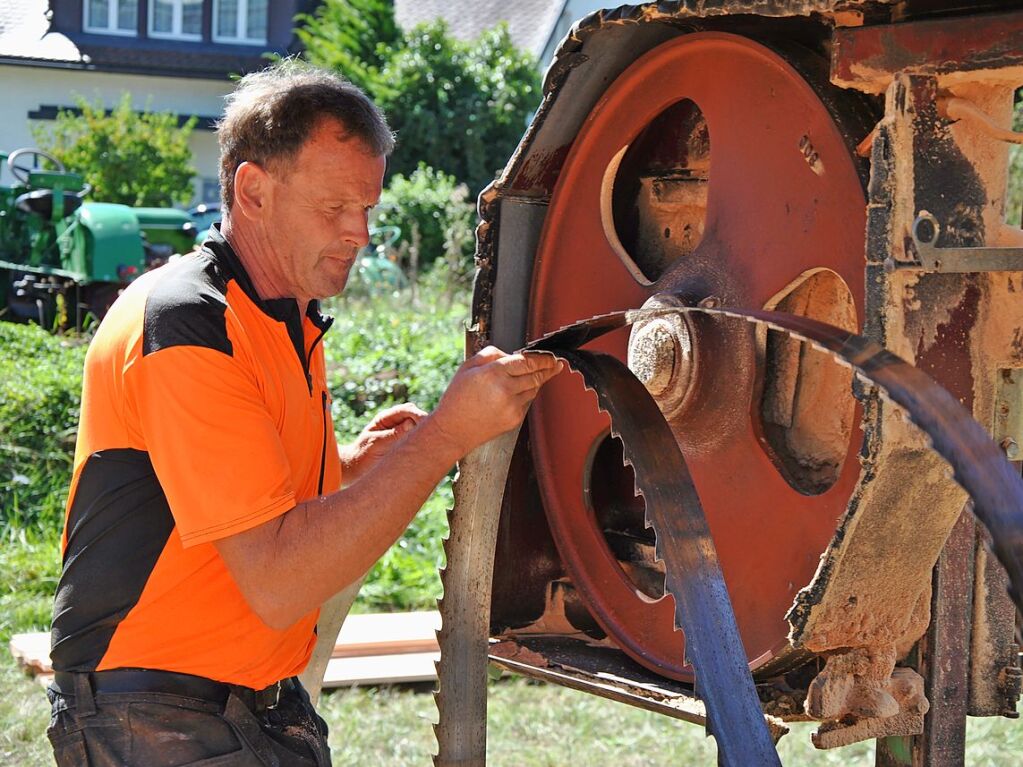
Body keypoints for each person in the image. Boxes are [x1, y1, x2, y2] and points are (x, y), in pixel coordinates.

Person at [45, 61, 562, 766]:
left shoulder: (280, 313)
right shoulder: (188, 323)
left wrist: (349, 468)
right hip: (155, 714)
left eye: (368, 209)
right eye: (333, 209)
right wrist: (444, 436)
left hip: (236, 699)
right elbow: (280, 577)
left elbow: (220, 497)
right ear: (253, 189)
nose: (359, 232)